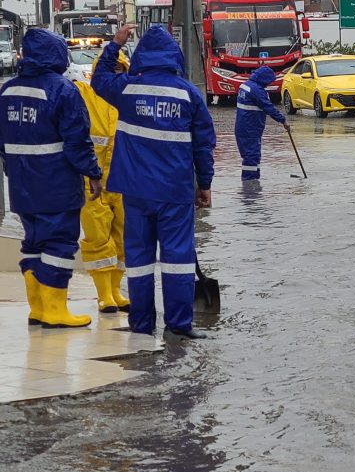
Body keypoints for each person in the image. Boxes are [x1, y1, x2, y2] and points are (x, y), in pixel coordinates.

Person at [91, 24, 216, 339]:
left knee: (139, 259)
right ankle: (179, 325)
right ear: (175, 57)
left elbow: (99, 79)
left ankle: (142, 325)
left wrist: (115, 43)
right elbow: (203, 145)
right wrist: (205, 184)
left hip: (134, 191)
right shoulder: (189, 94)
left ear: (141, 56)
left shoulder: (127, 88)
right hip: (174, 191)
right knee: (177, 258)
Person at [0, 28, 102, 328]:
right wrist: (93, 173)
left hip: (21, 184)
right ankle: (55, 309)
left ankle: (38, 307)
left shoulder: (8, 91)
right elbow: (77, 141)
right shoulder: (63, 90)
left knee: (33, 242)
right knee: (59, 243)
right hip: (56, 182)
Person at [74, 50, 132, 314]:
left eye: (121, 71)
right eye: (113, 70)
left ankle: (117, 290)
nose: (116, 75)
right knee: (98, 238)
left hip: (122, 182)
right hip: (91, 182)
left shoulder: (128, 99)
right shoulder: (84, 94)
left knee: (122, 238)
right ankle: (103, 294)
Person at [236, 65, 289, 182]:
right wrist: (283, 120)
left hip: (244, 128)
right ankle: (249, 187)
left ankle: (254, 184)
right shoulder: (257, 91)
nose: (269, 84)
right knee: (251, 157)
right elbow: (269, 108)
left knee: (252, 156)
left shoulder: (245, 85)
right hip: (250, 129)